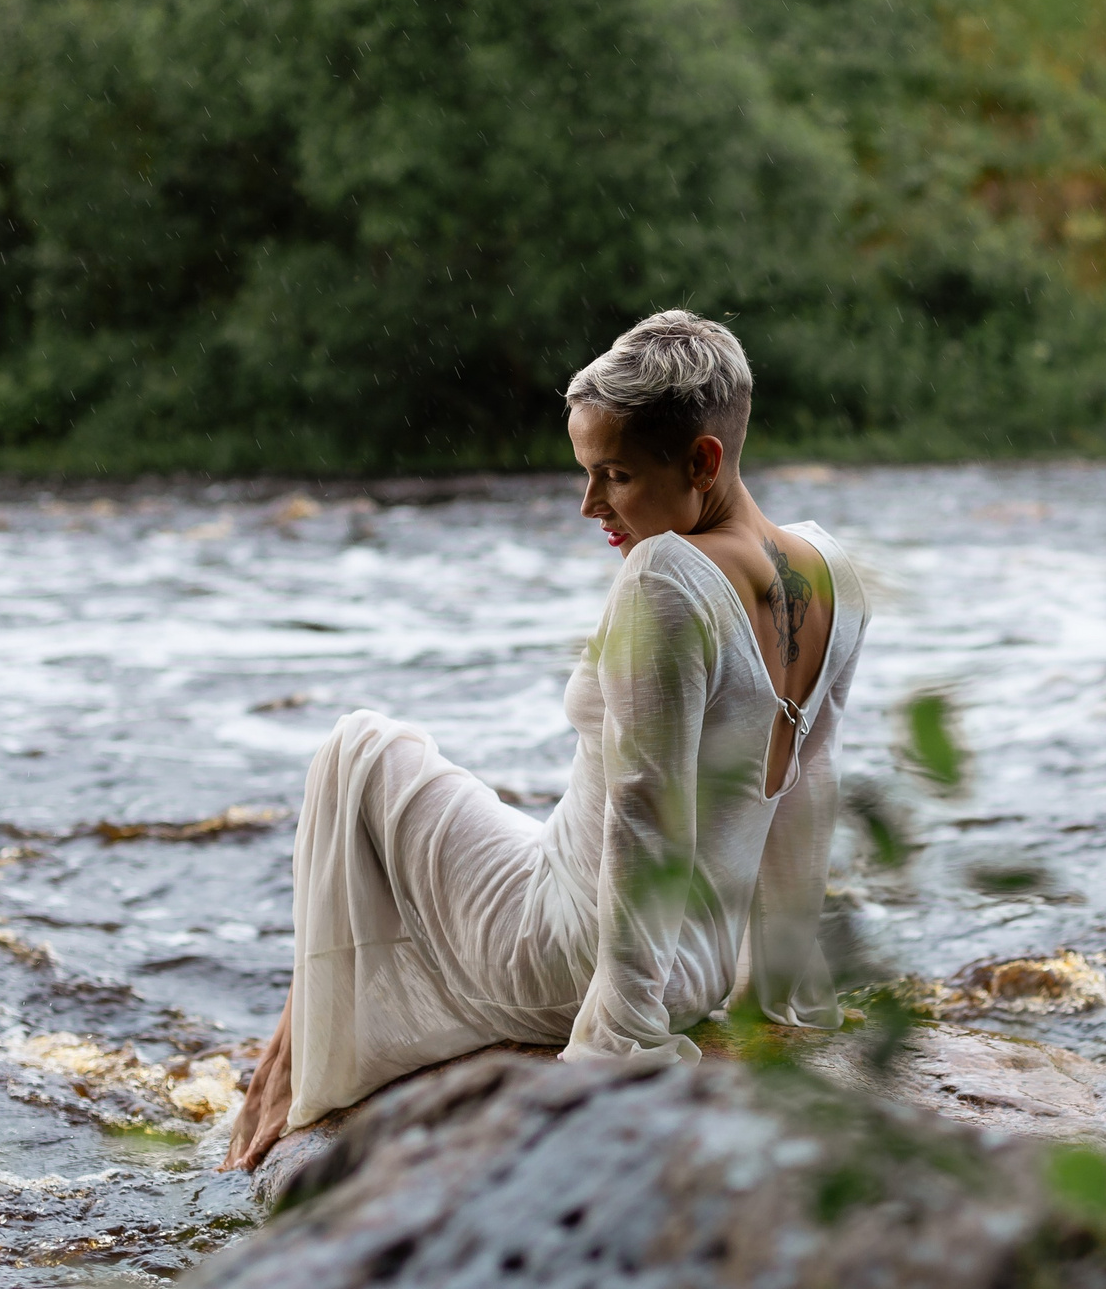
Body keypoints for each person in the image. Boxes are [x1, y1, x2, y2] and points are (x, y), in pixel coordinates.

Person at [222, 310, 869, 1172]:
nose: (590, 503)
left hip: (579, 953)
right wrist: (782, 987)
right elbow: (807, 784)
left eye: (615, 474)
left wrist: (616, 1040)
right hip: (702, 964)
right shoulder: (831, 571)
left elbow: (649, 819)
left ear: (703, 460)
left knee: (360, 748)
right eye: (586, 472)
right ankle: (291, 1058)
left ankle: (286, 1078)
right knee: (441, 793)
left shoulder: (667, 577)